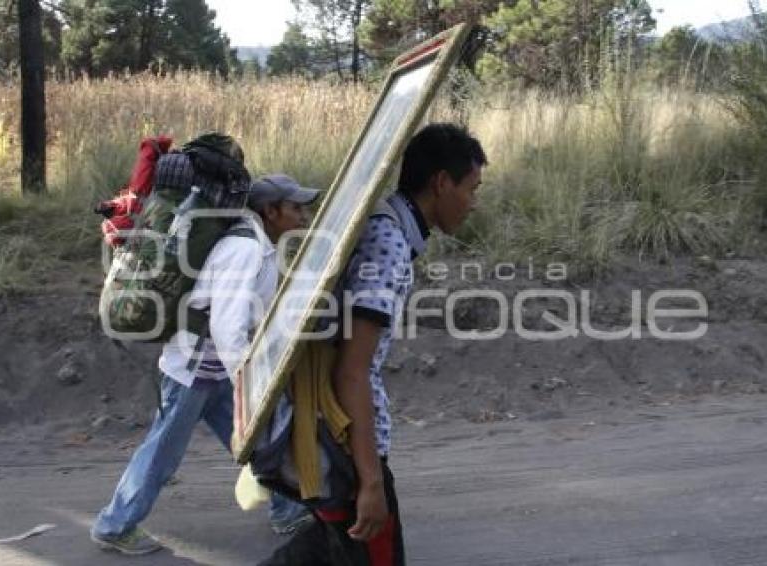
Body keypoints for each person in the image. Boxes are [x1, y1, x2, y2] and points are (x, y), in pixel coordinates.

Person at [261, 123, 487, 565]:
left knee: (324, 551)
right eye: (471, 188)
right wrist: (369, 481)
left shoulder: (383, 221)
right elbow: (352, 368)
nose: (473, 203)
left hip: (333, 427)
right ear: (441, 182)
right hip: (346, 437)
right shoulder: (389, 245)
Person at [91, 173, 322, 555]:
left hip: (213, 367)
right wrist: (248, 381)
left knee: (261, 439)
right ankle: (115, 525)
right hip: (197, 367)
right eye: (295, 207)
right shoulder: (244, 249)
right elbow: (227, 325)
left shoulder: (258, 244)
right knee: (163, 452)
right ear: (270, 210)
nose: (303, 215)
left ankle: (287, 509)